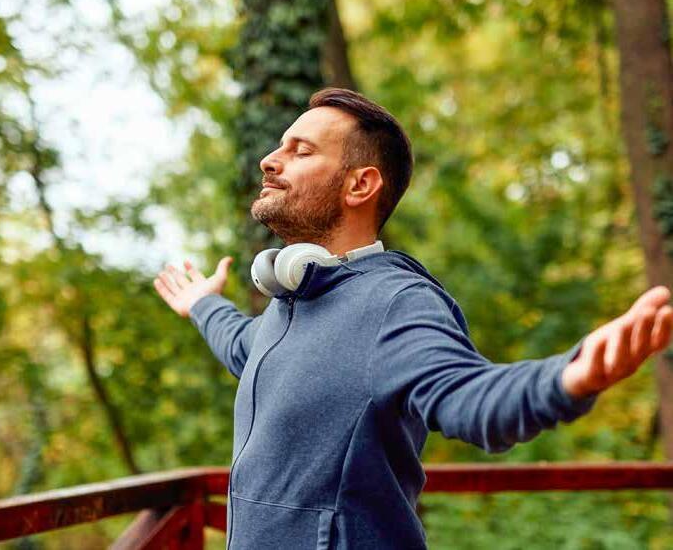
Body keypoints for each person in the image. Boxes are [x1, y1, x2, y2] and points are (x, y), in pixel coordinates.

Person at [152, 87, 673, 549]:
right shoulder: (286, 308)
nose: (270, 160)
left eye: (301, 151)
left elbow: (470, 396)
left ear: (360, 186)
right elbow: (239, 343)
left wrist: (569, 377)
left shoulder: (397, 303)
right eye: (279, 146)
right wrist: (202, 303)